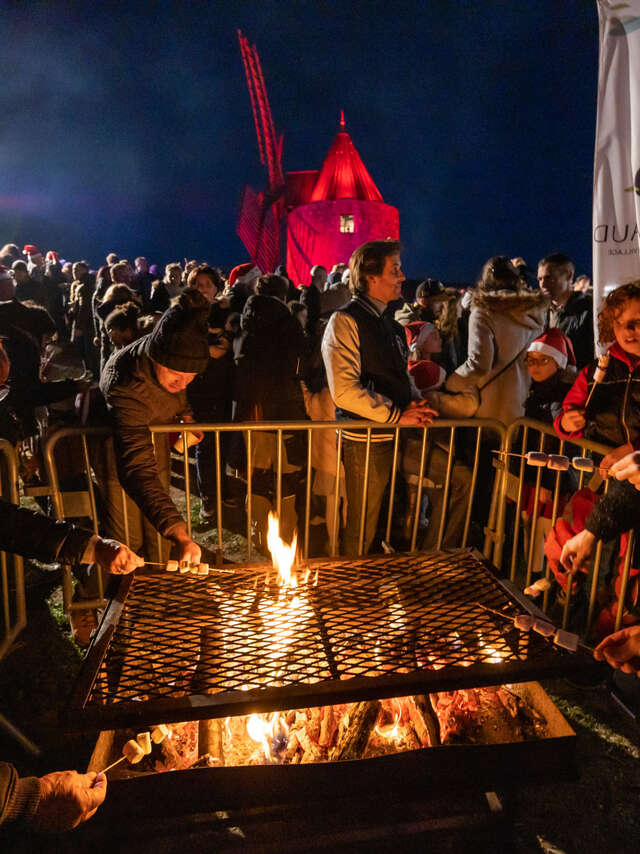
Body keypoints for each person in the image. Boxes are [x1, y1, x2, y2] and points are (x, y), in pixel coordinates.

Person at [322, 240, 455, 556]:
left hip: (394, 433)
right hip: (366, 440)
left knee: (456, 480)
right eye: (394, 270)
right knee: (363, 525)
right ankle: (352, 590)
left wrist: (412, 401)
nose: (402, 276)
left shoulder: (388, 323)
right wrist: (397, 414)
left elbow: (395, 375)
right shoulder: (345, 321)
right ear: (370, 277)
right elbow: (344, 390)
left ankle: (434, 561)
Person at [98, 288, 210, 565]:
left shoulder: (172, 354)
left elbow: (180, 396)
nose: (182, 384)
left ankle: (160, 602)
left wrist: (187, 417)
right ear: (157, 357)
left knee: (158, 538)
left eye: (191, 377)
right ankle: (109, 600)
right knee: (126, 543)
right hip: (118, 460)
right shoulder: (127, 383)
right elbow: (136, 467)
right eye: (176, 375)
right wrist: (182, 535)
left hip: (156, 450)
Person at [428, 256, 547, 427]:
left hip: (487, 408)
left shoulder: (484, 311)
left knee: (482, 452)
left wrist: (452, 384)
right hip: (521, 405)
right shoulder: (536, 313)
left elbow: (479, 364)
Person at [554, 282, 640, 475]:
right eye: (618, 321)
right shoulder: (595, 370)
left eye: (638, 320)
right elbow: (566, 414)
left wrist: (633, 449)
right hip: (603, 473)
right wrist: (567, 423)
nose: (628, 328)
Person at [538, 252, 593, 369]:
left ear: (568, 276)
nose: (542, 284)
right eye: (540, 279)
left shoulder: (589, 310)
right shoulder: (539, 313)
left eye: (549, 277)